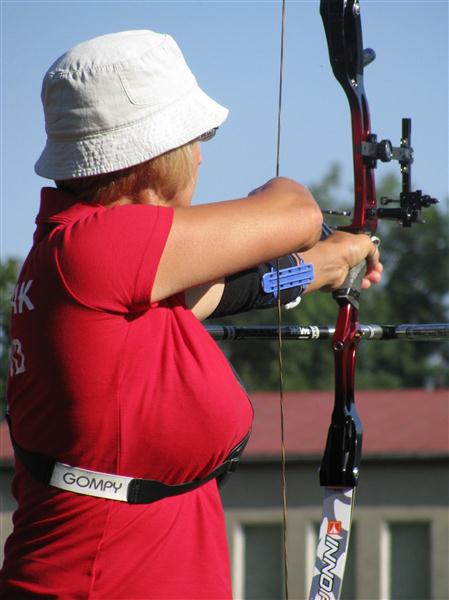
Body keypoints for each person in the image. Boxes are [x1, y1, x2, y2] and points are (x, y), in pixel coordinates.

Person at [0, 30, 382, 599]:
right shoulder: (97, 246)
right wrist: (283, 203)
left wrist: (321, 267)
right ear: (158, 159)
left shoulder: (85, 256)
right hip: (97, 583)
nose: (201, 155)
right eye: (196, 139)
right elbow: (297, 212)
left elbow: (224, 293)